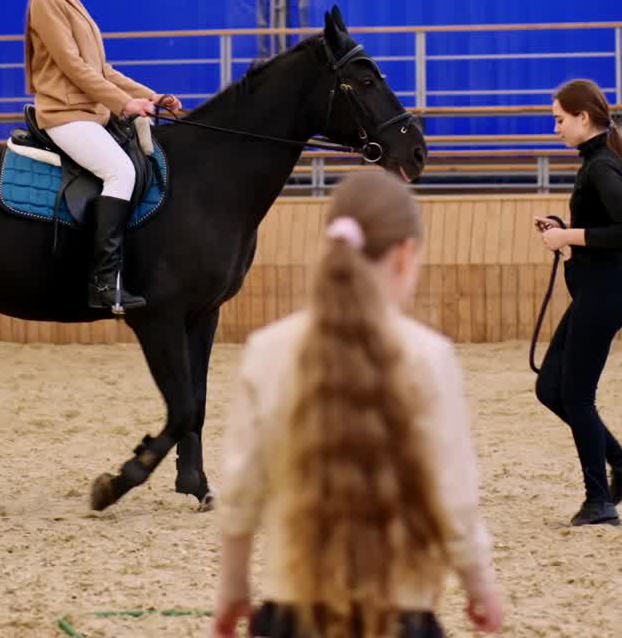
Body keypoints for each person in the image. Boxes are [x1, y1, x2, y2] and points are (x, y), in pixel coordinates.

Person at [212, 168, 505, 638]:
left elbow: (241, 491)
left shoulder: (267, 349)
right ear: (406, 256)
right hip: (401, 614)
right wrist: (479, 587)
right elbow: (455, 499)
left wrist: (232, 589)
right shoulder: (429, 356)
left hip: (291, 612)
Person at [24, 0, 180, 310]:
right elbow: (74, 67)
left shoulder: (71, 0)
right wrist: (124, 105)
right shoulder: (45, 1)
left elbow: (103, 69)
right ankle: (103, 283)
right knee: (120, 171)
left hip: (90, 112)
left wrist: (151, 96)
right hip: (65, 114)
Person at [534, 78, 622, 526]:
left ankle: (599, 501)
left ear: (583, 118)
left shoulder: (601, 167)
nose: (556, 129)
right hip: (595, 291)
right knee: (550, 388)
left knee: (577, 396)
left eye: (560, 120)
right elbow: (604, 229)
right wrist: (563, 228)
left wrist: (567, 236)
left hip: (603, 294)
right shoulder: (595, 163)